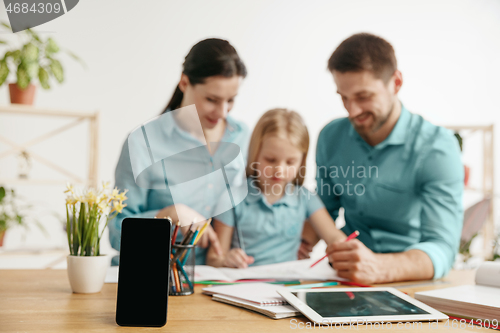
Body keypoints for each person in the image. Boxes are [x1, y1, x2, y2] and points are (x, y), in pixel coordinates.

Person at [300, 33, 464, 283]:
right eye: (344, 97)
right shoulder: (331, 136)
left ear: (396, 83)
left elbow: (442, 248)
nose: (352, 111)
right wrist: (293, 245)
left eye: (364, 96)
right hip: (343, 278)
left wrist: (379, 267)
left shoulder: (437, 149)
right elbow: (324, 208)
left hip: (410, 282)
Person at [109, 38, 249, 265]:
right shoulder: (143, 144)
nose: (222, 112)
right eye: (211, 100)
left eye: (230, 100)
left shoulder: (243, 136)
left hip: (214, 277)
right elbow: (117, 235)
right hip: (151, 272)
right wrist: (168, 215)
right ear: (184, 83)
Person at [207, 109, 347, 268]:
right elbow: (213, 258)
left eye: (290, 162)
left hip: (290, 286)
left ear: (301, 161)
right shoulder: (231, 198)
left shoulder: (305, 198)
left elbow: (334, 236)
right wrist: (226, 260)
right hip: (245, 285)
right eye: (271, 160)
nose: (279, 170)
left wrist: (343, 246)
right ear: (255, 154)